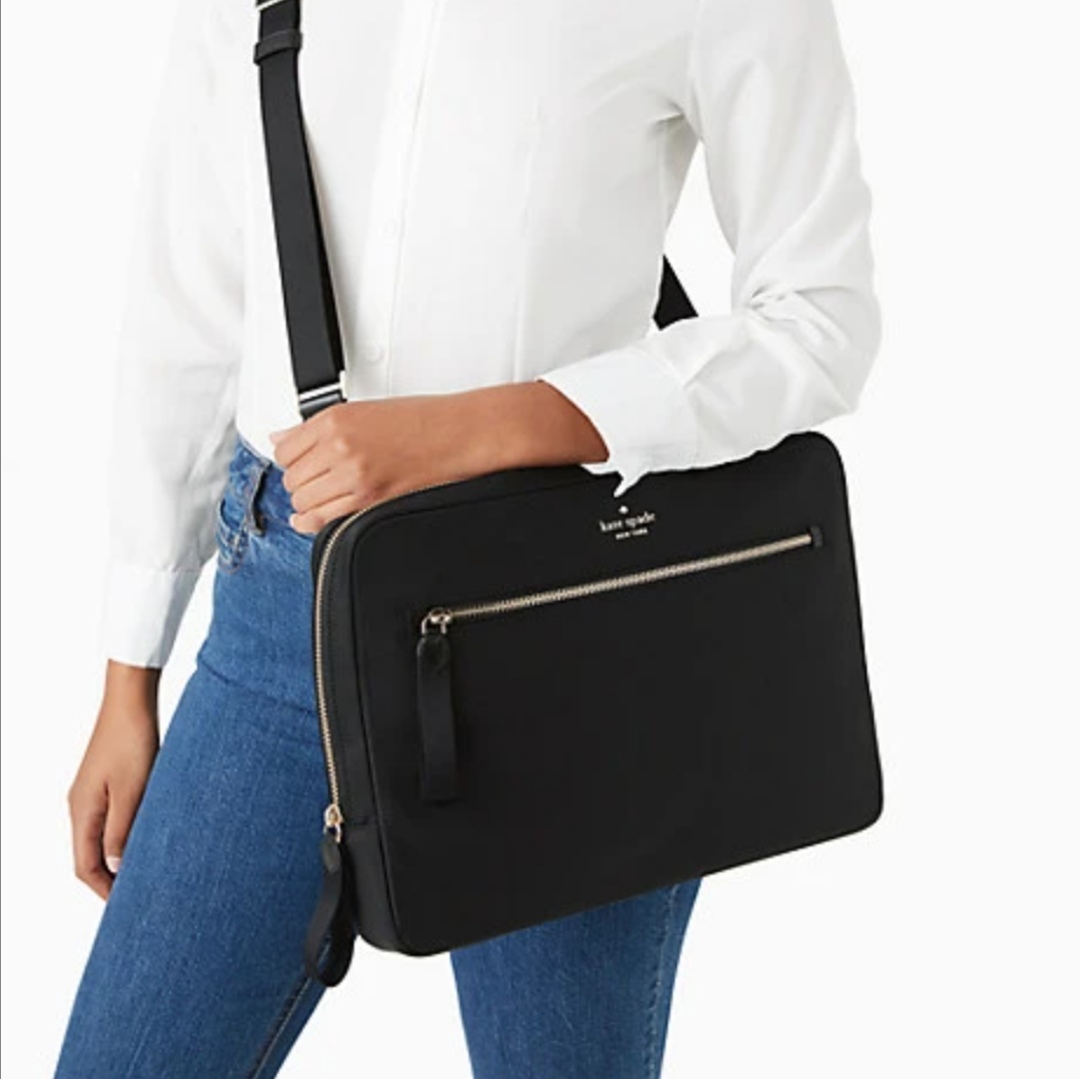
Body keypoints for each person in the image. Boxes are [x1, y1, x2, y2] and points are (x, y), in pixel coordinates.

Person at [53, 0, 881, 1074]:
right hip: (277, 617)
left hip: (565, 638)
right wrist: (129, 673)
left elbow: (820, 319)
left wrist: (475, 430)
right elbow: (195, 300)